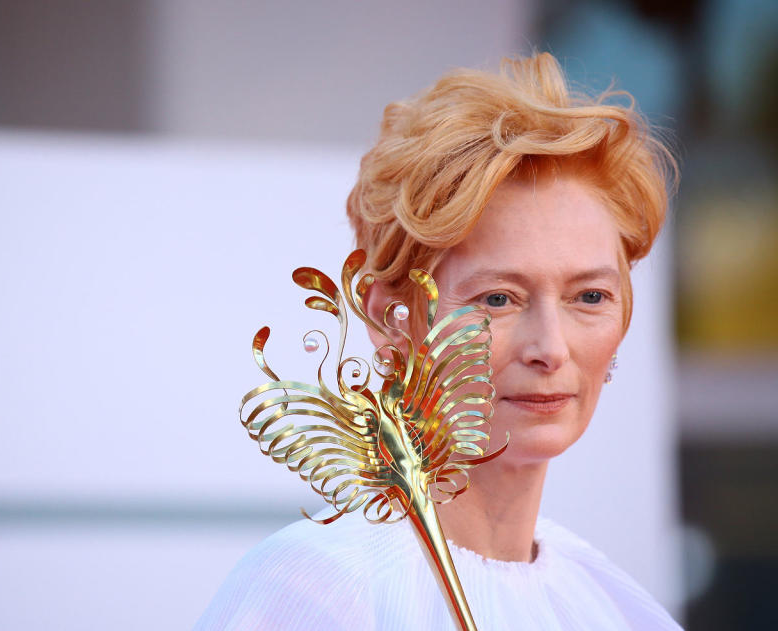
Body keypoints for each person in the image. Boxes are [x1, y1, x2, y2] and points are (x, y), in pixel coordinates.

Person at [195, 52, 682, 630]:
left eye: (589, 297)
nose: (550, 348)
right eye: (498, 299)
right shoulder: (320, 590)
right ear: (393, 321)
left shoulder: (614, 607)